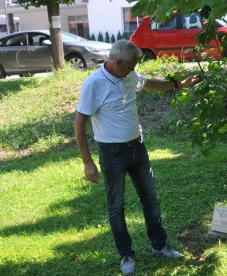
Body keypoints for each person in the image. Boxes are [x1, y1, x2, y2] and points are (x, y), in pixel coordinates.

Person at [74, 39, 197, 275]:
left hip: (137, 149)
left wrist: (178, 84)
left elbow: (148, 84)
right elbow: (80, 124)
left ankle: (159, 245)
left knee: (150, 199)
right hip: (112, 154)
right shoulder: (93, 84)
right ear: (116, 62)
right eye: (130, 67)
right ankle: (126, 255)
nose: (133, 71)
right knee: (116, 206)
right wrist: (87, 162)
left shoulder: (128, 75)